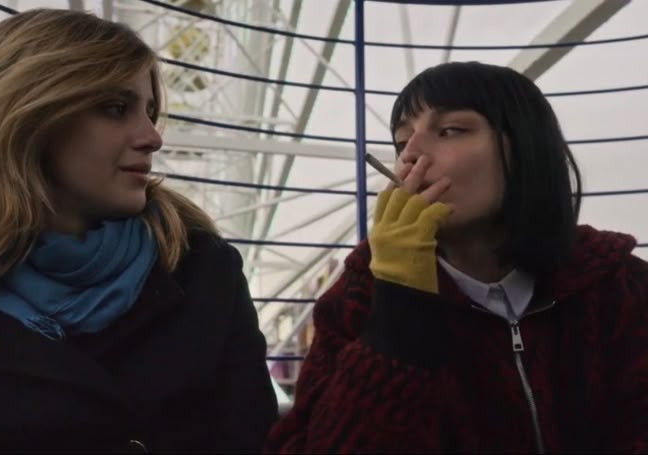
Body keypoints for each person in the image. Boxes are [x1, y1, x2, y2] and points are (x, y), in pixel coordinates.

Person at [0, 8, 277, 453]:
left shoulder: (205, 271)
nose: (153, 137)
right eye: (115, 108)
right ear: (23, 116)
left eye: (150, 111)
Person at [265, 61, 648, 453]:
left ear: (528, 146)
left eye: (450, 130)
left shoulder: (622, 288)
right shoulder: (355, 302)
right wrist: (397, 309)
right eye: (400, 143)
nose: (411, 155)